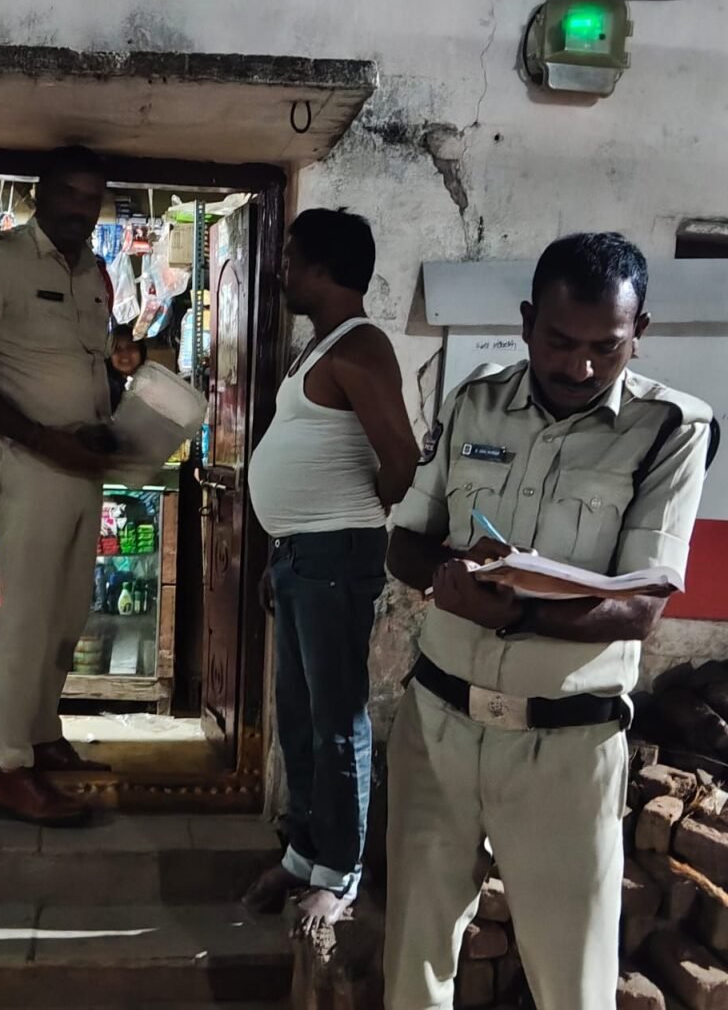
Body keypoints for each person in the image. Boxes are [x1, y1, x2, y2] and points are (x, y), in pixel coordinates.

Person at [384, 233, 711, 1009]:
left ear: (639, 332)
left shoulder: (671, 428)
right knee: (414, 967)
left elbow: (640, 608)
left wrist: (517, 610)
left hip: (566, 748)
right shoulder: (475, 399)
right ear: (529, 321)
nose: (581, 367)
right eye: (561, 342)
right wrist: (448, 579)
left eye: (606, 347)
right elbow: (405, 544)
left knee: (573, 980)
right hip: (438, 727)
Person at [243, 208, 420, 932]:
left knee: (337, 720)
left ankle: (341, 870)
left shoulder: (360, 345)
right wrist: (284, 546)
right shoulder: (319, 347)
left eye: (290, 260)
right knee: (298, 717)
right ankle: (305, 852)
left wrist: (352, 517)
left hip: (333, 557)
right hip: (301, 557)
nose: (282, 271)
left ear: (321, 269)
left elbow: (401, 458)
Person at [0, 145, 114, 826]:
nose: (81, 208)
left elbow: (92, 365)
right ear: (42, 194)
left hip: (82, 461)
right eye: (69, 193)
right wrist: (42, 438)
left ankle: (42, 735)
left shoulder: (94, 270)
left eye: (92, 197)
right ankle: (8, 768)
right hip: (28, 459)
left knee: (68, 610)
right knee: (27, 613)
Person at [106, 322, 148, 412]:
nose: (124, 354)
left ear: (141, 351)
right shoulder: (105, 390)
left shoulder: (152, 382)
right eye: (117, 349)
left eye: (131, 347)